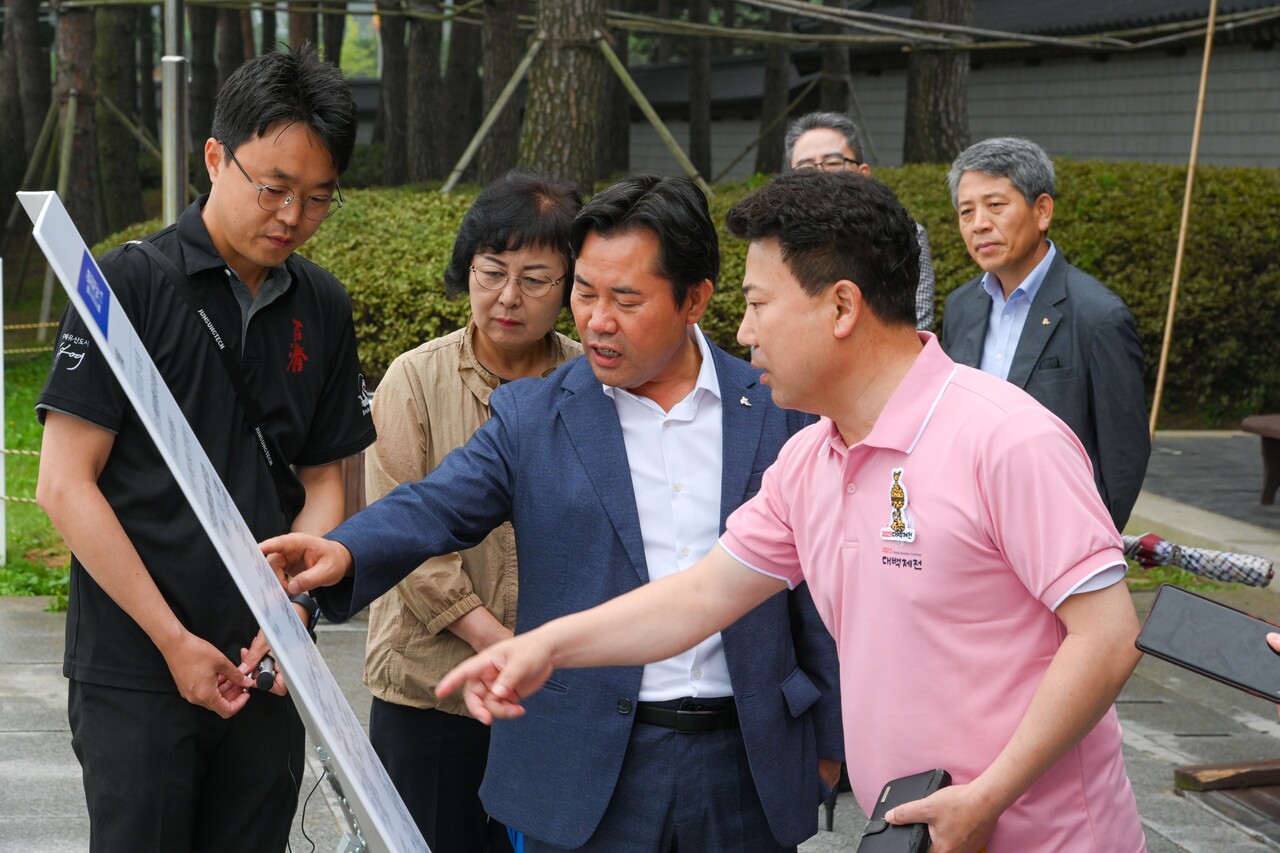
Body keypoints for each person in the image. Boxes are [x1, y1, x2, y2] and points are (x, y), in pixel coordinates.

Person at [422, 170, 1147, 852]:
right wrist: (545, 646)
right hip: (916, 824)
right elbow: (702, 595)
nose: (743, 331)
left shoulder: (1005, 437)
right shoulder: (812, 458)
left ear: (840, 306)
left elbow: (1108, 637)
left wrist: (992, 793)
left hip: (1039, 830)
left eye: (761, 303)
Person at [263, 175, 843, 853]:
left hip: (743, 766)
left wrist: (829, 743)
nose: (597, 319)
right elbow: (436, 502)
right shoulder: (536, 414)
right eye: (586, 292)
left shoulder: (780, 411)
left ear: (695, 299)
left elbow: (820, 594)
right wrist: (347, 550)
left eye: (626, 299)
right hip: (585, 772)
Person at [35, 44, 374, 851]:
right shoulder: (126, 285)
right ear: (215, 157)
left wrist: (291, 605)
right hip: (137, 665)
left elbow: (326, 483)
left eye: (318, 198)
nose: (292, 216)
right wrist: (170, 640)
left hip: (264, 662)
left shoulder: (321, 305)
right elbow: (64, 485)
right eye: (275, 188)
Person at [363, 172, 583, 852]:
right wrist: (502, 644)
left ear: (572, 286)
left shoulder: (591, 387)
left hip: (552, 695)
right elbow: (408, 540)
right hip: (429, 689)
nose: (508, 296)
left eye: (535, 278)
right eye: (492, 272)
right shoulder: (415, 379)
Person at [940, 136, 1149, 531]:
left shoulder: (1098, 316)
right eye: (966, 212)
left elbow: (1124, 456)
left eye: (996, 205)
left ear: (1042, 211)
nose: (979, 223)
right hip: (970, 533)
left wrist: (1085, 549)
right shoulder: (961, 307)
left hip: (1057, 535)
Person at [785, 110, 936, 331]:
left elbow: (914, 328)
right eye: (805, 169)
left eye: (833, 162)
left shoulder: (901, 236)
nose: (820, 177)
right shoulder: (777, 245)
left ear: (863, 173)